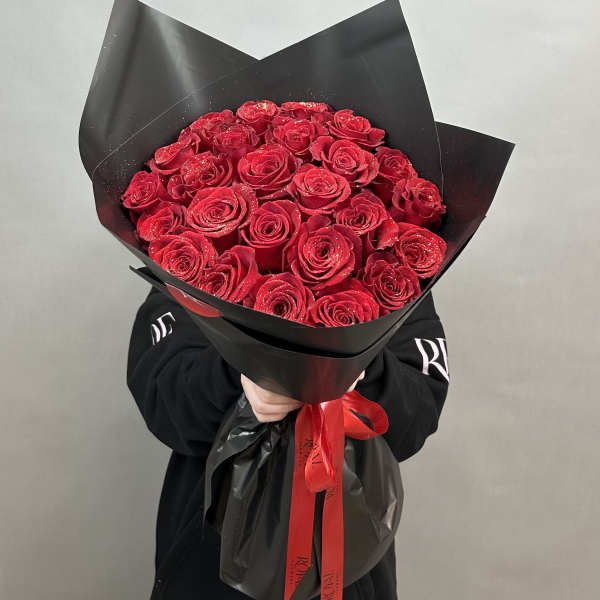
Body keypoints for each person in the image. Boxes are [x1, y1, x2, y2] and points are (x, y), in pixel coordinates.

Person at [127, 286, 449, 600]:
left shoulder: (395, 275)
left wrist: (359, 363)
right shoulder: (196, 263)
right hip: (207, 558)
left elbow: (419, 414)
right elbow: (160, 392)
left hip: (347, 567)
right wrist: (240, 373)